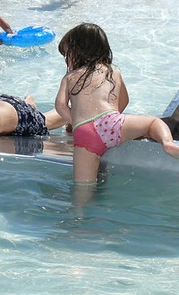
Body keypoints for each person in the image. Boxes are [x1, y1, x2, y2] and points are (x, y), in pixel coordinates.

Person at [55, 22, 179, 184]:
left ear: (78, 51)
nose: (67, 59)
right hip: (111, 124)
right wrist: (110, 121)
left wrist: (77, 122)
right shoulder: (112, 71)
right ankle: (169, 144)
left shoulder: (70, 77)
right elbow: (124, 100)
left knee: (83, 187)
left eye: (67, 54)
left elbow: (60, 106)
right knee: (152, 123)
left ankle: (79, 209)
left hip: (84, 134)